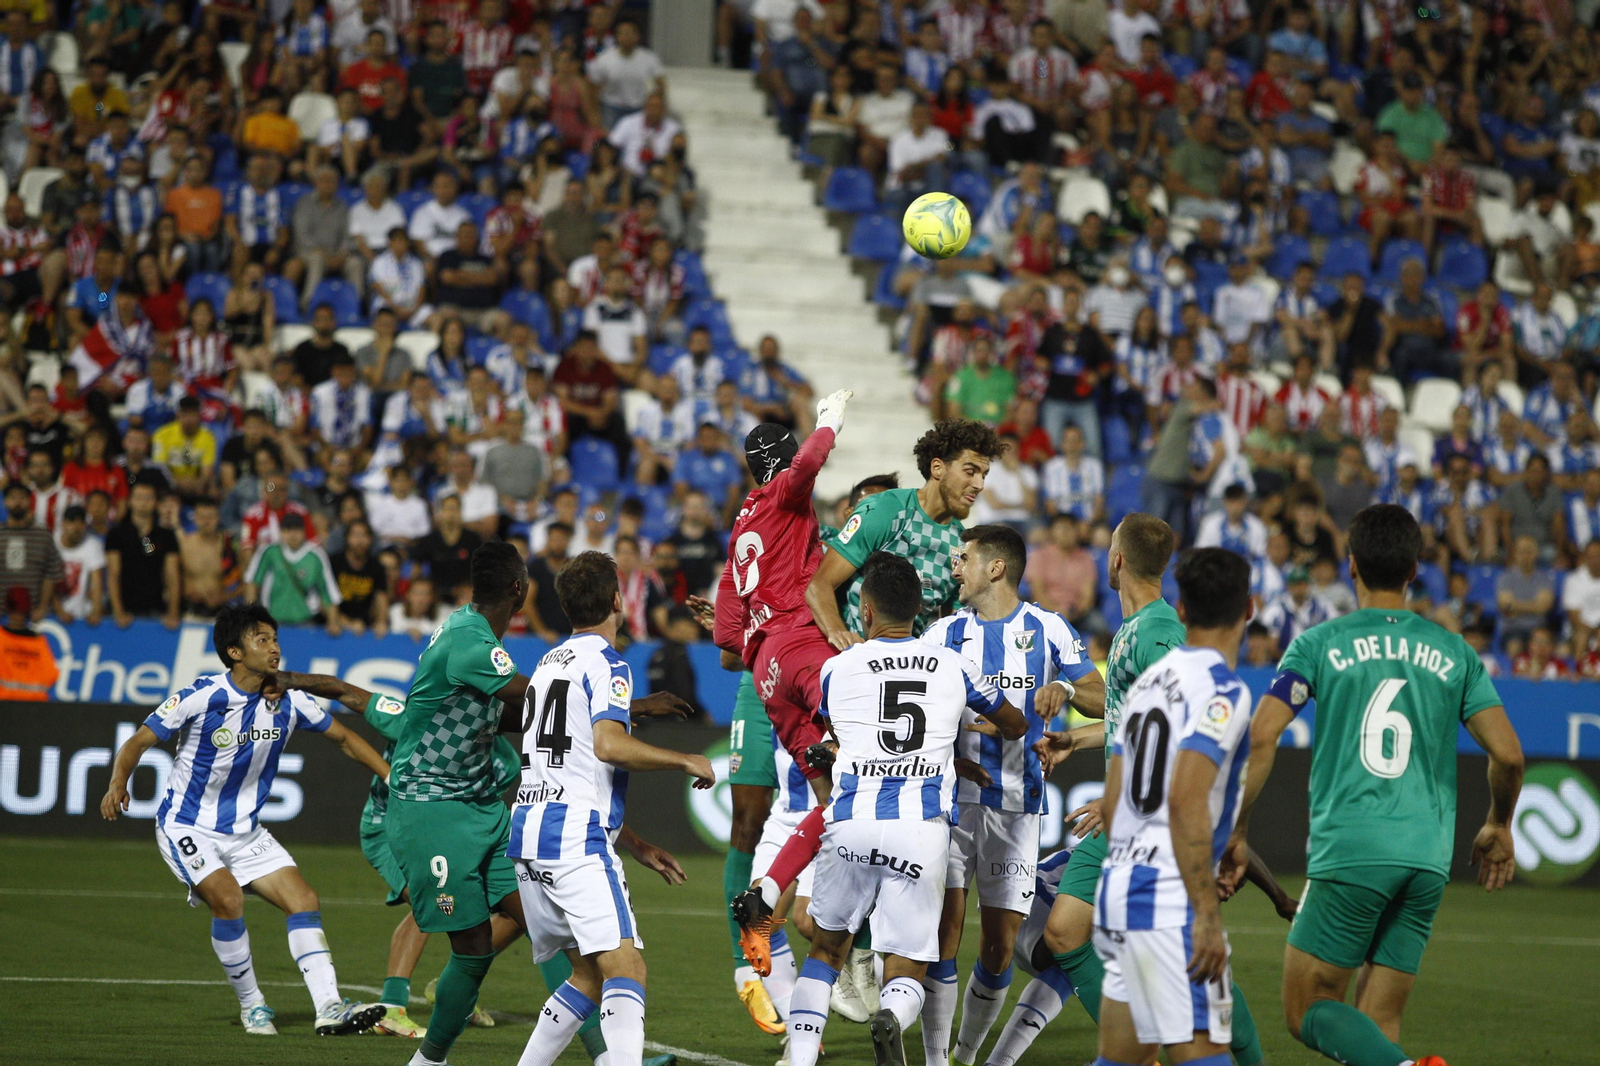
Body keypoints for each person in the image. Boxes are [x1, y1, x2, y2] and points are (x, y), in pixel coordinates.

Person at [1225, 504, 1526, 1066]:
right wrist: (1498, 823)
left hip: (1354, 849)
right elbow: (1508, 754)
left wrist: (1235, 829)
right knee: (1376, 1023)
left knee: (1305, 1007)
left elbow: (1261, 738)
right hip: (1428, 855)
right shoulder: (1456, 653)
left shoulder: (1318, 644)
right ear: (1415, 571)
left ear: (1351, 564)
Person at [1031, 512, 1269, 1065]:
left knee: (1125, 1052)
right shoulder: (1212, 683)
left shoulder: (1153, 648)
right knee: (1204, 1033)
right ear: (1249, 612)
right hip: (1163, 874)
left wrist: (1116, 796)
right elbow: (1184, 782)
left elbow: (1142, 739)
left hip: (1124, 868)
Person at [781, 552, 1028, 1066]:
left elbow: (838, 732)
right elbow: (1014, 723)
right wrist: (966, 736)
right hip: (921, 830)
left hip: (851, 823)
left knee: (826, 952)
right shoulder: (954, 666)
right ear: (918, 611)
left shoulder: (837, 667)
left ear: (866, 612)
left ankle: (800, 1057)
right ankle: (891, 1015)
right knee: (911, 963)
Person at [97, 604, 390, 1036]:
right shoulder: (204, 694)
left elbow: (344, 738)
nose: (274, 648)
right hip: (187, 825)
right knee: (229, 899)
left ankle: (329, 1007)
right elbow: (139, 740)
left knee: (304, 900)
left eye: (274, 638)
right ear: (234, 652)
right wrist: (117, 782)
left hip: (246, 832)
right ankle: (253, 1006)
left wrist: (392, 780)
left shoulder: (289, 699)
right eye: (261, 640)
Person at [511, 550, 716, 1066]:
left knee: (586, 975)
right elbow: (608, 745)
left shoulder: (546, 664)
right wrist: (684, 758)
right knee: (627, 968)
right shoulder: (607, 663)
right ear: (615, 601)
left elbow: (572, 770)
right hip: (574, 839)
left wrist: (637, 843)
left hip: (531, 833)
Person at [918, 525, 1106, 1065]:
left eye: (965, 558)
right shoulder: (942, 633)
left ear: (995, 568)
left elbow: (1099, 694)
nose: (956, 567)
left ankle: (967, 1056)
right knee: (945, 931)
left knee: (1000, 948)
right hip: (950, 803)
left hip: (1017, 808)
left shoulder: (1048, 629)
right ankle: (935, 1062)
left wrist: (1067, 689)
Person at [1092, 547, 1257, 1066]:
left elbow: (1115, 801)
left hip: (1119, 888)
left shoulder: (1144, 687)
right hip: (1167, 899)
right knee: (1205, 1053)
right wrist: (1206, 913)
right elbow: (1187, 798)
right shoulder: (1223, 690)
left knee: (1123, 1057)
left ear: (1181, 610)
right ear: (1249, 608)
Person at [243, 512, 340, 629]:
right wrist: (251, 617)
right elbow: (252, 582)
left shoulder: (316, 555)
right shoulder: (269, 552)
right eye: (288, 529)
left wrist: (333, 621)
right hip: (272, 621)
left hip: (305, 622)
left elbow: (328, 592)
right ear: (281, 532)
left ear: (304, 531)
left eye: (297, 529)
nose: (293, 534)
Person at [105, 480, 180, 629]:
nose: (143, 503)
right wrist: (118, 612)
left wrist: (173, 612)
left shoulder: (166, 535)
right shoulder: (116, 534)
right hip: (125, 610)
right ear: (130, 501)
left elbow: (172, 575)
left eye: (148, 498)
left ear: (156, 503)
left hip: (156, 610)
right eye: (138, 497)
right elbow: (113, 574)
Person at [0, 586, 57, 699]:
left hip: (5, 705)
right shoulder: (38, 640)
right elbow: (51, 674)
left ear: (7, 608)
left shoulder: (1, 638)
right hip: (34, 706)